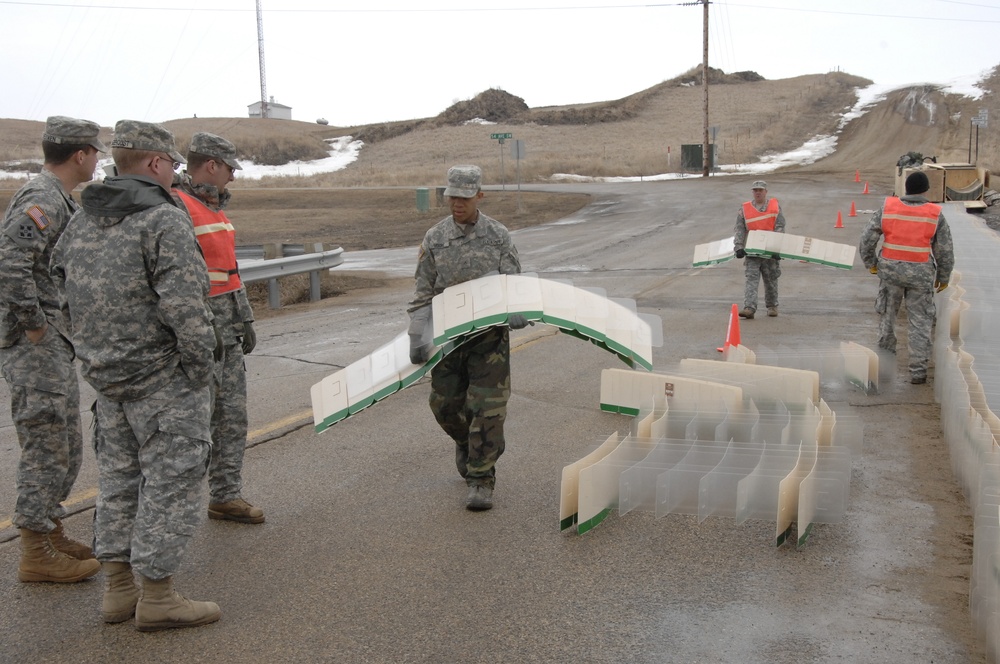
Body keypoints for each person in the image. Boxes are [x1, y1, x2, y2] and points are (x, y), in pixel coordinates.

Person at [50, 119, 221, 630]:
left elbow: (61, 293)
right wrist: (198, 370)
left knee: (119, 484)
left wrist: (94, 354)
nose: (175, 172)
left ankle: (118, 591)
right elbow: (187, 307)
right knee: (171, 482)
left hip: (108, 381)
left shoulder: (81, 220)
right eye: (171, 163)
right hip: (163, 381)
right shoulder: (163, 221)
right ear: (153, 163)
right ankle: (159, 596)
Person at [0, 116, 105, 584]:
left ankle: (50, 527)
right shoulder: (42, 198)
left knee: (64, 442)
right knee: (46, 443)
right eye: (95, 152)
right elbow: (8, 263)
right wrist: (36, 326)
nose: (98, 159)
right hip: (33, 346)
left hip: (52, 342)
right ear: (80, 154)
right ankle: (35, 549)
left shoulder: (58, 198)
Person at [407, 165, 528, 511]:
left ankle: (481, 478)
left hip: (488, 340)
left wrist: (518, 309)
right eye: (451, 197)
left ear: (479, 195)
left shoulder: (498, 235)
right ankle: (467, 441)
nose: (456, 203)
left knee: (488, 410)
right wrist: (417, 330)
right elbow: (422, 290)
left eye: (463, 197)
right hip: (448, 339)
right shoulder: (435, 238)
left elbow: (513, 282)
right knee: (444, 406)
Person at [172, 132, 263, 525]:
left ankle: (226, 495)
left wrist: (244, 319)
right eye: (229, 168)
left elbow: (229, 273)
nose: (233, 178)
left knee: (231, 417)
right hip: (200, 332)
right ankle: (174, 509)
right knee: (194, 423)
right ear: (211, 165)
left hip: (227, 330)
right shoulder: (178, 208)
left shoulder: (214, 210)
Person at [859, 171, 954, 385]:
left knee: (887, 317)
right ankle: (918, 371)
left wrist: (871, 264)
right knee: (920, 321)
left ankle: (884, 368)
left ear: (906, 189)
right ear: (925, 190)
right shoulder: (934, 213)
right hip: (921, 274)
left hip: (890, 272)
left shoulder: (888, 208)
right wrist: (944, 275)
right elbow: (945, 250)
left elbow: (866, 240)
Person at [733, 180, 786, 319]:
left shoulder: (775, 207)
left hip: (769, 251)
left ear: (765, 192)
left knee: (771, 280)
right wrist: (738, 247)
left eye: (760, 190)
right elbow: (739, 229)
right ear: (752, 192)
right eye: (755, 190)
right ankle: (749, 308)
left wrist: (777, 248)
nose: (758, 192)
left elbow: (780, 227)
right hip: (752, 251)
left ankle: (772, 306)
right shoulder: (744, 209)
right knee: (751, 279)